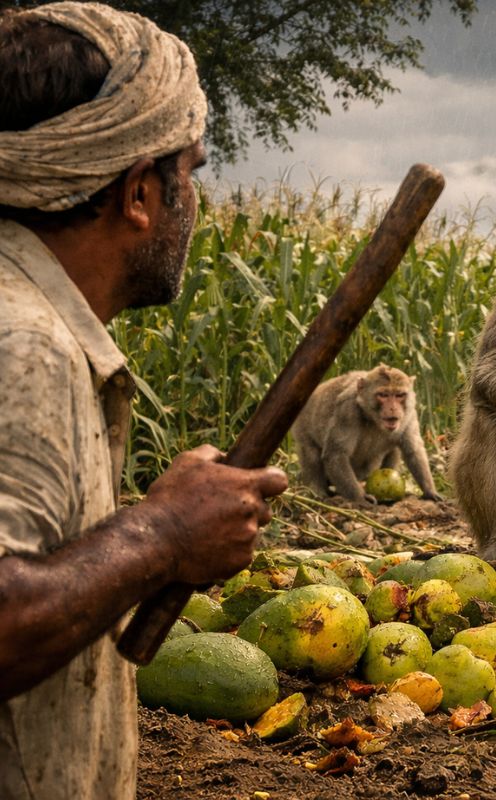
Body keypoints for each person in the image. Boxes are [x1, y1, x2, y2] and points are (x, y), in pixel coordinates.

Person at [0, 4, 288, 799]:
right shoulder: (25, 344)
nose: (194, 201)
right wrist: (162, 534)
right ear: (137, 194)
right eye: (188, 172)